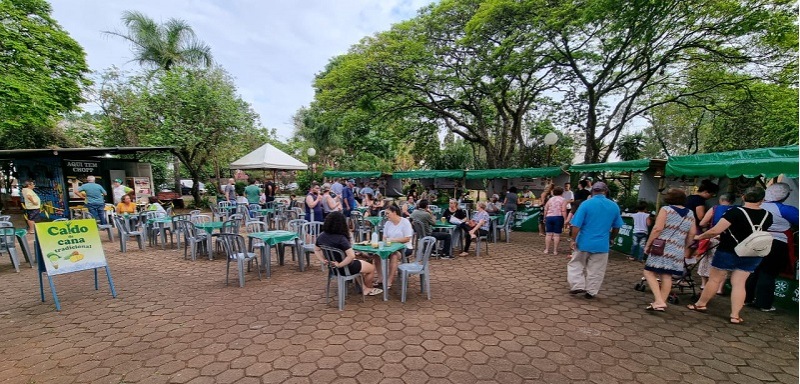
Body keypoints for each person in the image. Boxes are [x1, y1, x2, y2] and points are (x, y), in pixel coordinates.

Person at [688, 187, 773, 324]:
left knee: (715, 279)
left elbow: (715, 230)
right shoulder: (768, 215)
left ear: (743, 197)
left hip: (728, 250)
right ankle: (735, 315)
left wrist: (699, 237)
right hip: (752, 253)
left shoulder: (734, 212)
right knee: (739, 283)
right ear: (762, 200)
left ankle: (701, 304)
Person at [641, 189, 697, 311]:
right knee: (667, 276)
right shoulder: (690, 213)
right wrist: (685, 246)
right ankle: (660, 302)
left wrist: (648, 244)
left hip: (662, 247)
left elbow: (657, 228)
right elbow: (692, 233)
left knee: (648, 272)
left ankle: (659, 301)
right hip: (678, 248)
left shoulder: (666, 210)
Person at [746, 183, 798, 312]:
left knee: (753, 271)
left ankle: (745, 298)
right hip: (777, 243)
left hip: (756, 239)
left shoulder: (755, 205)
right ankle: (763, 303)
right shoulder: (786, 210)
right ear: (784, 196)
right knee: (768, 273)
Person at [567, 182, 624, 299]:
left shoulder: (586, 204)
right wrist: (612, 238)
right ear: (606, 191)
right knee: (597, 269)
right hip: (602, 243)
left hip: (583, 241)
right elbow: (617, 226)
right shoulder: (614, 206)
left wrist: (573, 239)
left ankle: (577, 285)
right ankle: (591, 291)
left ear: (592, 191)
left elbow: (576, 225)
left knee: (576, 264)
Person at [314, 211, 383, 297]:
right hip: (345, 267)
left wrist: (324, 261)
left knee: (360, 260)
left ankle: (363, 287)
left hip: (333, 268)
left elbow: (316, 250)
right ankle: (367, 289)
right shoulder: (341, 238)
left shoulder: (321, 236)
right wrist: (339, 265)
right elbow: (351, 256)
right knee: (371, 268)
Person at [696, 193, 736, 292]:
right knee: (723, 263)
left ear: (720, 199)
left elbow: (702, 223)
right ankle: (719, 288)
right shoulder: (737, 210)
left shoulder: (714, 209)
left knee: (707, 261)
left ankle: (704, 284)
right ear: (732, 201)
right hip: (730, 239)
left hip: (714, 236)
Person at [375, 204, 413, 290]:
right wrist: (388, 241)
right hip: (390, 247)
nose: (386, 215)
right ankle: (380, 278)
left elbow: (407, 239)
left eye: (388, 213)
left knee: (394, 255)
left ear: (394, 212)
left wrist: (392, 240)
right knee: (376, 254)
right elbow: (384, 237)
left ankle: (390, 280)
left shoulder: (405, 222)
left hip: (404, 247)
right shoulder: (388, 223)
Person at [543, 186, 568, 255]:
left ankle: (547, 249)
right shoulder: (563, 200)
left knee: (548, 234)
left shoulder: (550, 199)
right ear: (562, 193)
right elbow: (563, 210)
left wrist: (544, 217)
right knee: (556, 235)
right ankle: (555, 251)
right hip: (558, 217)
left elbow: (546, 208)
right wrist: (565, 219)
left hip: (549, 217)